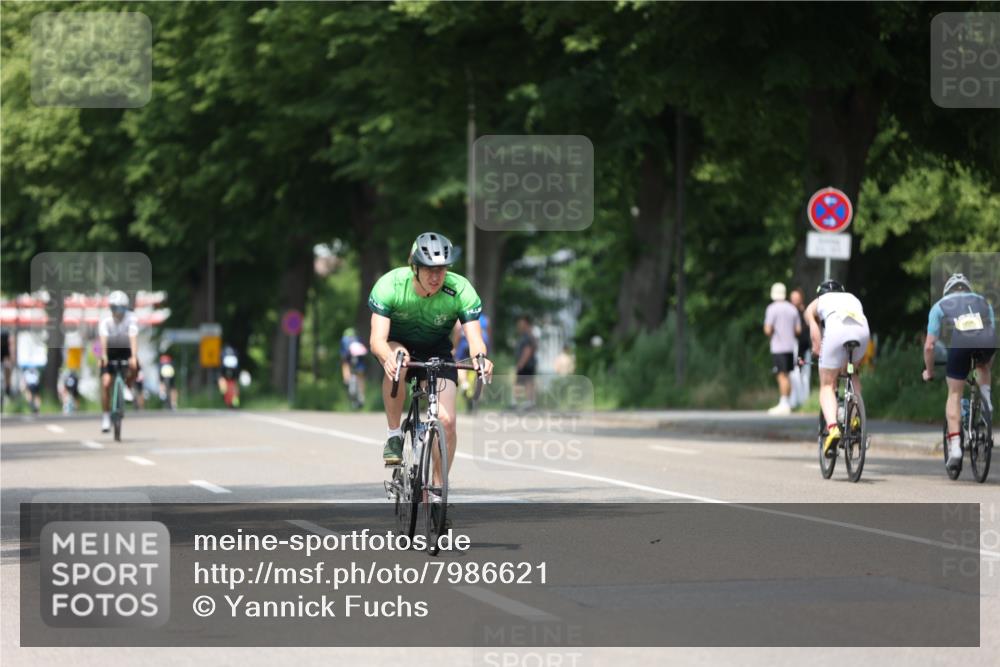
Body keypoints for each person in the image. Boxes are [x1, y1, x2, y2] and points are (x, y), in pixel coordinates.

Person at [368, 232, 493, 482]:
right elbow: (376, 340)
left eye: (441, 270)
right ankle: (394, 435)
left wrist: (481, 358)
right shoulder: (390, 285)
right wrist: (388, 358)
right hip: (397, 344)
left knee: (446, 422)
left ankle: (436, 492)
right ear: (414, 267)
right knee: (400, 360)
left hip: (437, 350)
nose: (436, 277)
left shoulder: (460, 289)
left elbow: (474, 338)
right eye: (428, 270)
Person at [922, 273, 995, 470]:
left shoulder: (940, 305)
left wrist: (929, 371)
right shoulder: (983, 301)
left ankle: (955, 448)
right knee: (983, 366)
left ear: (948, 291)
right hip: (988, 341)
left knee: (954, 393)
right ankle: (987, 402)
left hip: (961, 344)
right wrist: (986, 363)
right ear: (967, 289)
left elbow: (929, 346)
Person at [804, 280, 870, 458]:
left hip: (836, 331)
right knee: (852, 372)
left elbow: (814, 329)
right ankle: (855, 415)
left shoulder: (819, 301)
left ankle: (833, 428)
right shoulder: (852, 298)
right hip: (862, 331)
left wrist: (817, 348)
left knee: (827, 385)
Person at [99, 290, 140, 432]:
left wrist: (134, 356)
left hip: (125, 349)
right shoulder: (105, 320)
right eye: (114, 308)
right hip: (110, 351)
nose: (118, 312)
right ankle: (105, 416)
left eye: (121, 308)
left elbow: (133, 337)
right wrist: (103, 355)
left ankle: (128, 386)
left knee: (134, 366)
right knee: (106, 383)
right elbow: (103, 340)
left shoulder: (131, 318)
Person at [763, 282, 801, 415]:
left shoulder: (771, 308)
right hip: (790, 346)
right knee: (788, 375)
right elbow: (798, 330)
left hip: (778, 347)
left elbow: (767, 330)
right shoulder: (792, 309)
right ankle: (788, 403)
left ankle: (784, 403)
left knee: (781, 375)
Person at [789, 288, 812, 409]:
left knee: (804, 374)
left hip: (804, 347)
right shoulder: (791, 312)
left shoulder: (805, 312)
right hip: (795, 346)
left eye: (796, 298)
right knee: (795, 373)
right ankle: (796, 399)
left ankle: (805, 400)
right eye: (792, 298)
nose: (794, 300)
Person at [340, 327, 369, 408]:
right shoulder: (358, 339)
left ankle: (346, 379)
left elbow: (343, 355)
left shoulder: (344, 340)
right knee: (361, 375)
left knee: (345, 363)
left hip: (349, 357)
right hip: (359, 358)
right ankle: (362, 395)